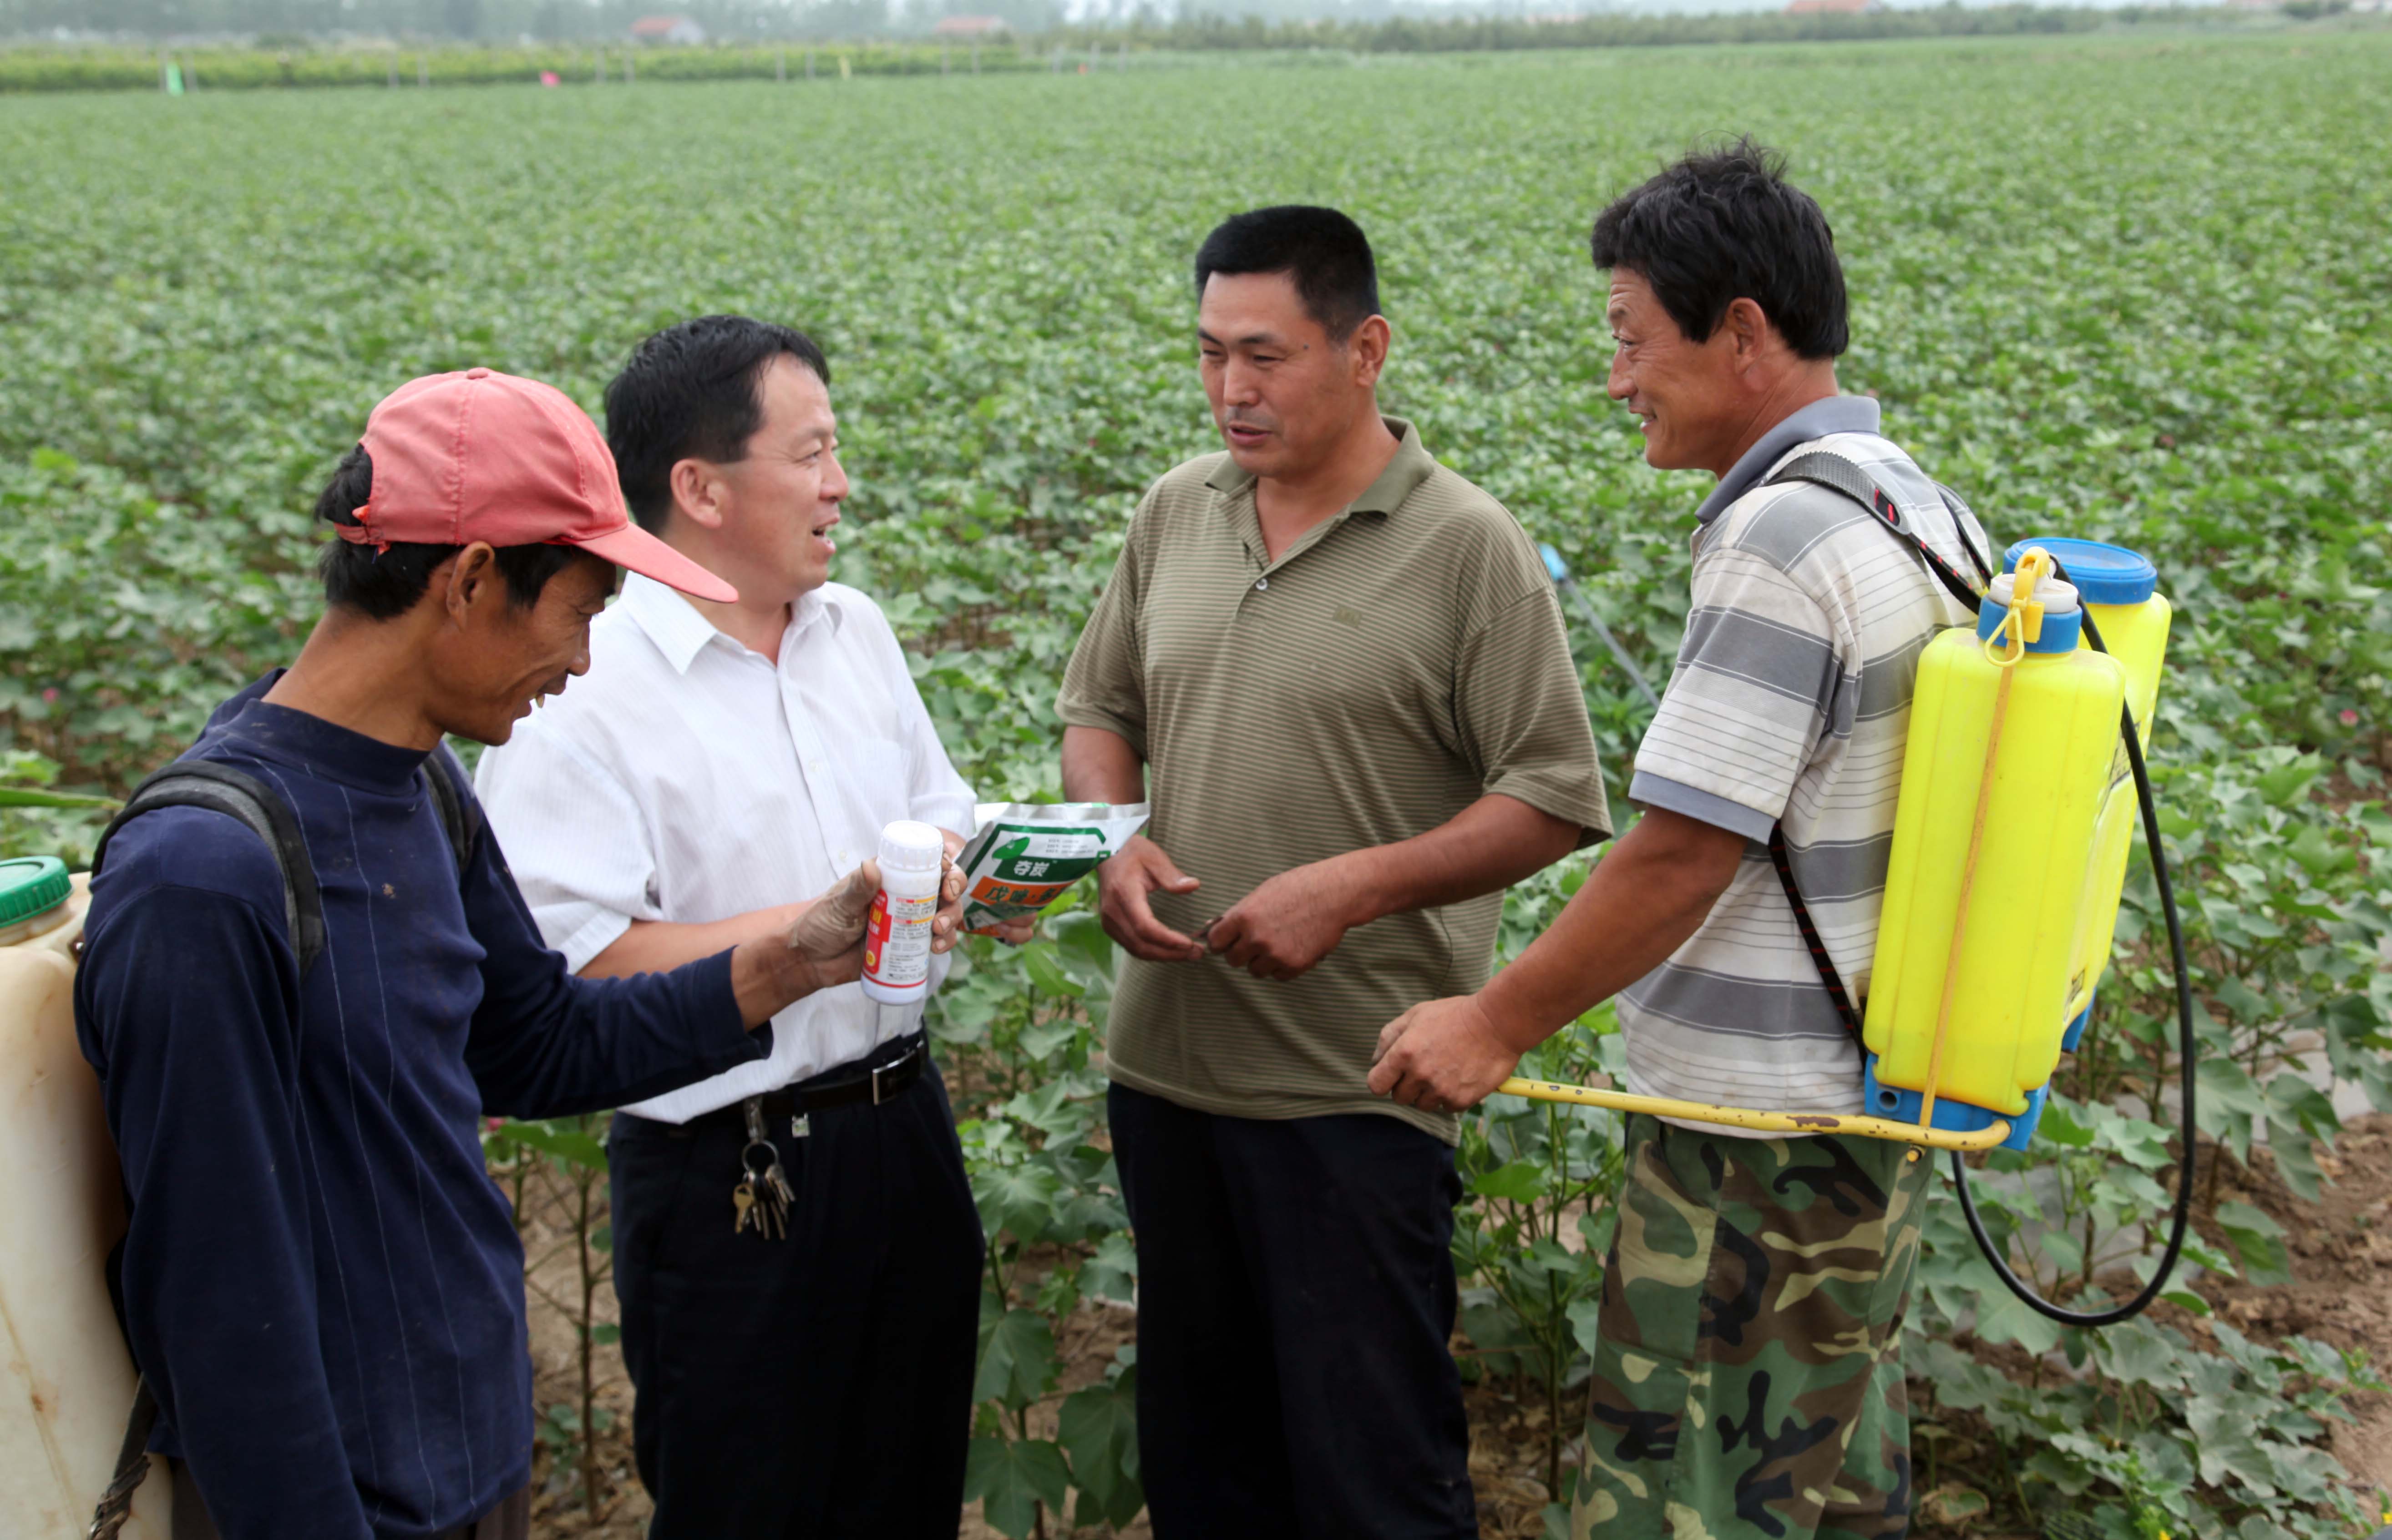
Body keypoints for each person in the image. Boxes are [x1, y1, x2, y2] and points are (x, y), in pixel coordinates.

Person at [76, 367, 917, 1540]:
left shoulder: (423, 783)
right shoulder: (203, 877)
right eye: (579, 613)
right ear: (470, 579)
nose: (581, 664)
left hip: (464, 1448)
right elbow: (218, 1298)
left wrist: (789, 960)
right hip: (342, 1494)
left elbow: (535, 1046)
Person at [1368, 139, 1996, 1539]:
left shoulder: (1782, 539)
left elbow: (1682, 853)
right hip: (1859, 1109)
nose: (1616, 379)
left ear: (1747, 332)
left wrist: (1497, 1019)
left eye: (1632, 338)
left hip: (1751, 1143)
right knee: (1826, 1481)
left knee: (1683, 1498)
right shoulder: (1916, 505)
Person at [1055, 205, 1612, 1538]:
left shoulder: (1466, 545)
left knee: (1371, 1477)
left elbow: (1550, 797)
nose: (1230, 392)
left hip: (1353, 1092)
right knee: (1207, 1464)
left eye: (1266, 356)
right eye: (1208, 355)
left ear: (1366, 349)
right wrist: (1111, 834)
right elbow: (1099, 709)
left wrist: (1347, 888)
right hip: (1169, 1076)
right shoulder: (1174, 512)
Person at [473, 316, 1025, 1539]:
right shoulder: (586, 686)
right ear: (699, 488)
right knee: (751, 1504)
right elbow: (569, 976)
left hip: (902, 1134)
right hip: (730, 1172)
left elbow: (939, 818)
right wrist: (809, 933)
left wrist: (992, 875)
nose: (843, 483)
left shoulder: (856, 634)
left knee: (907, 1481)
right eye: (814, 451)